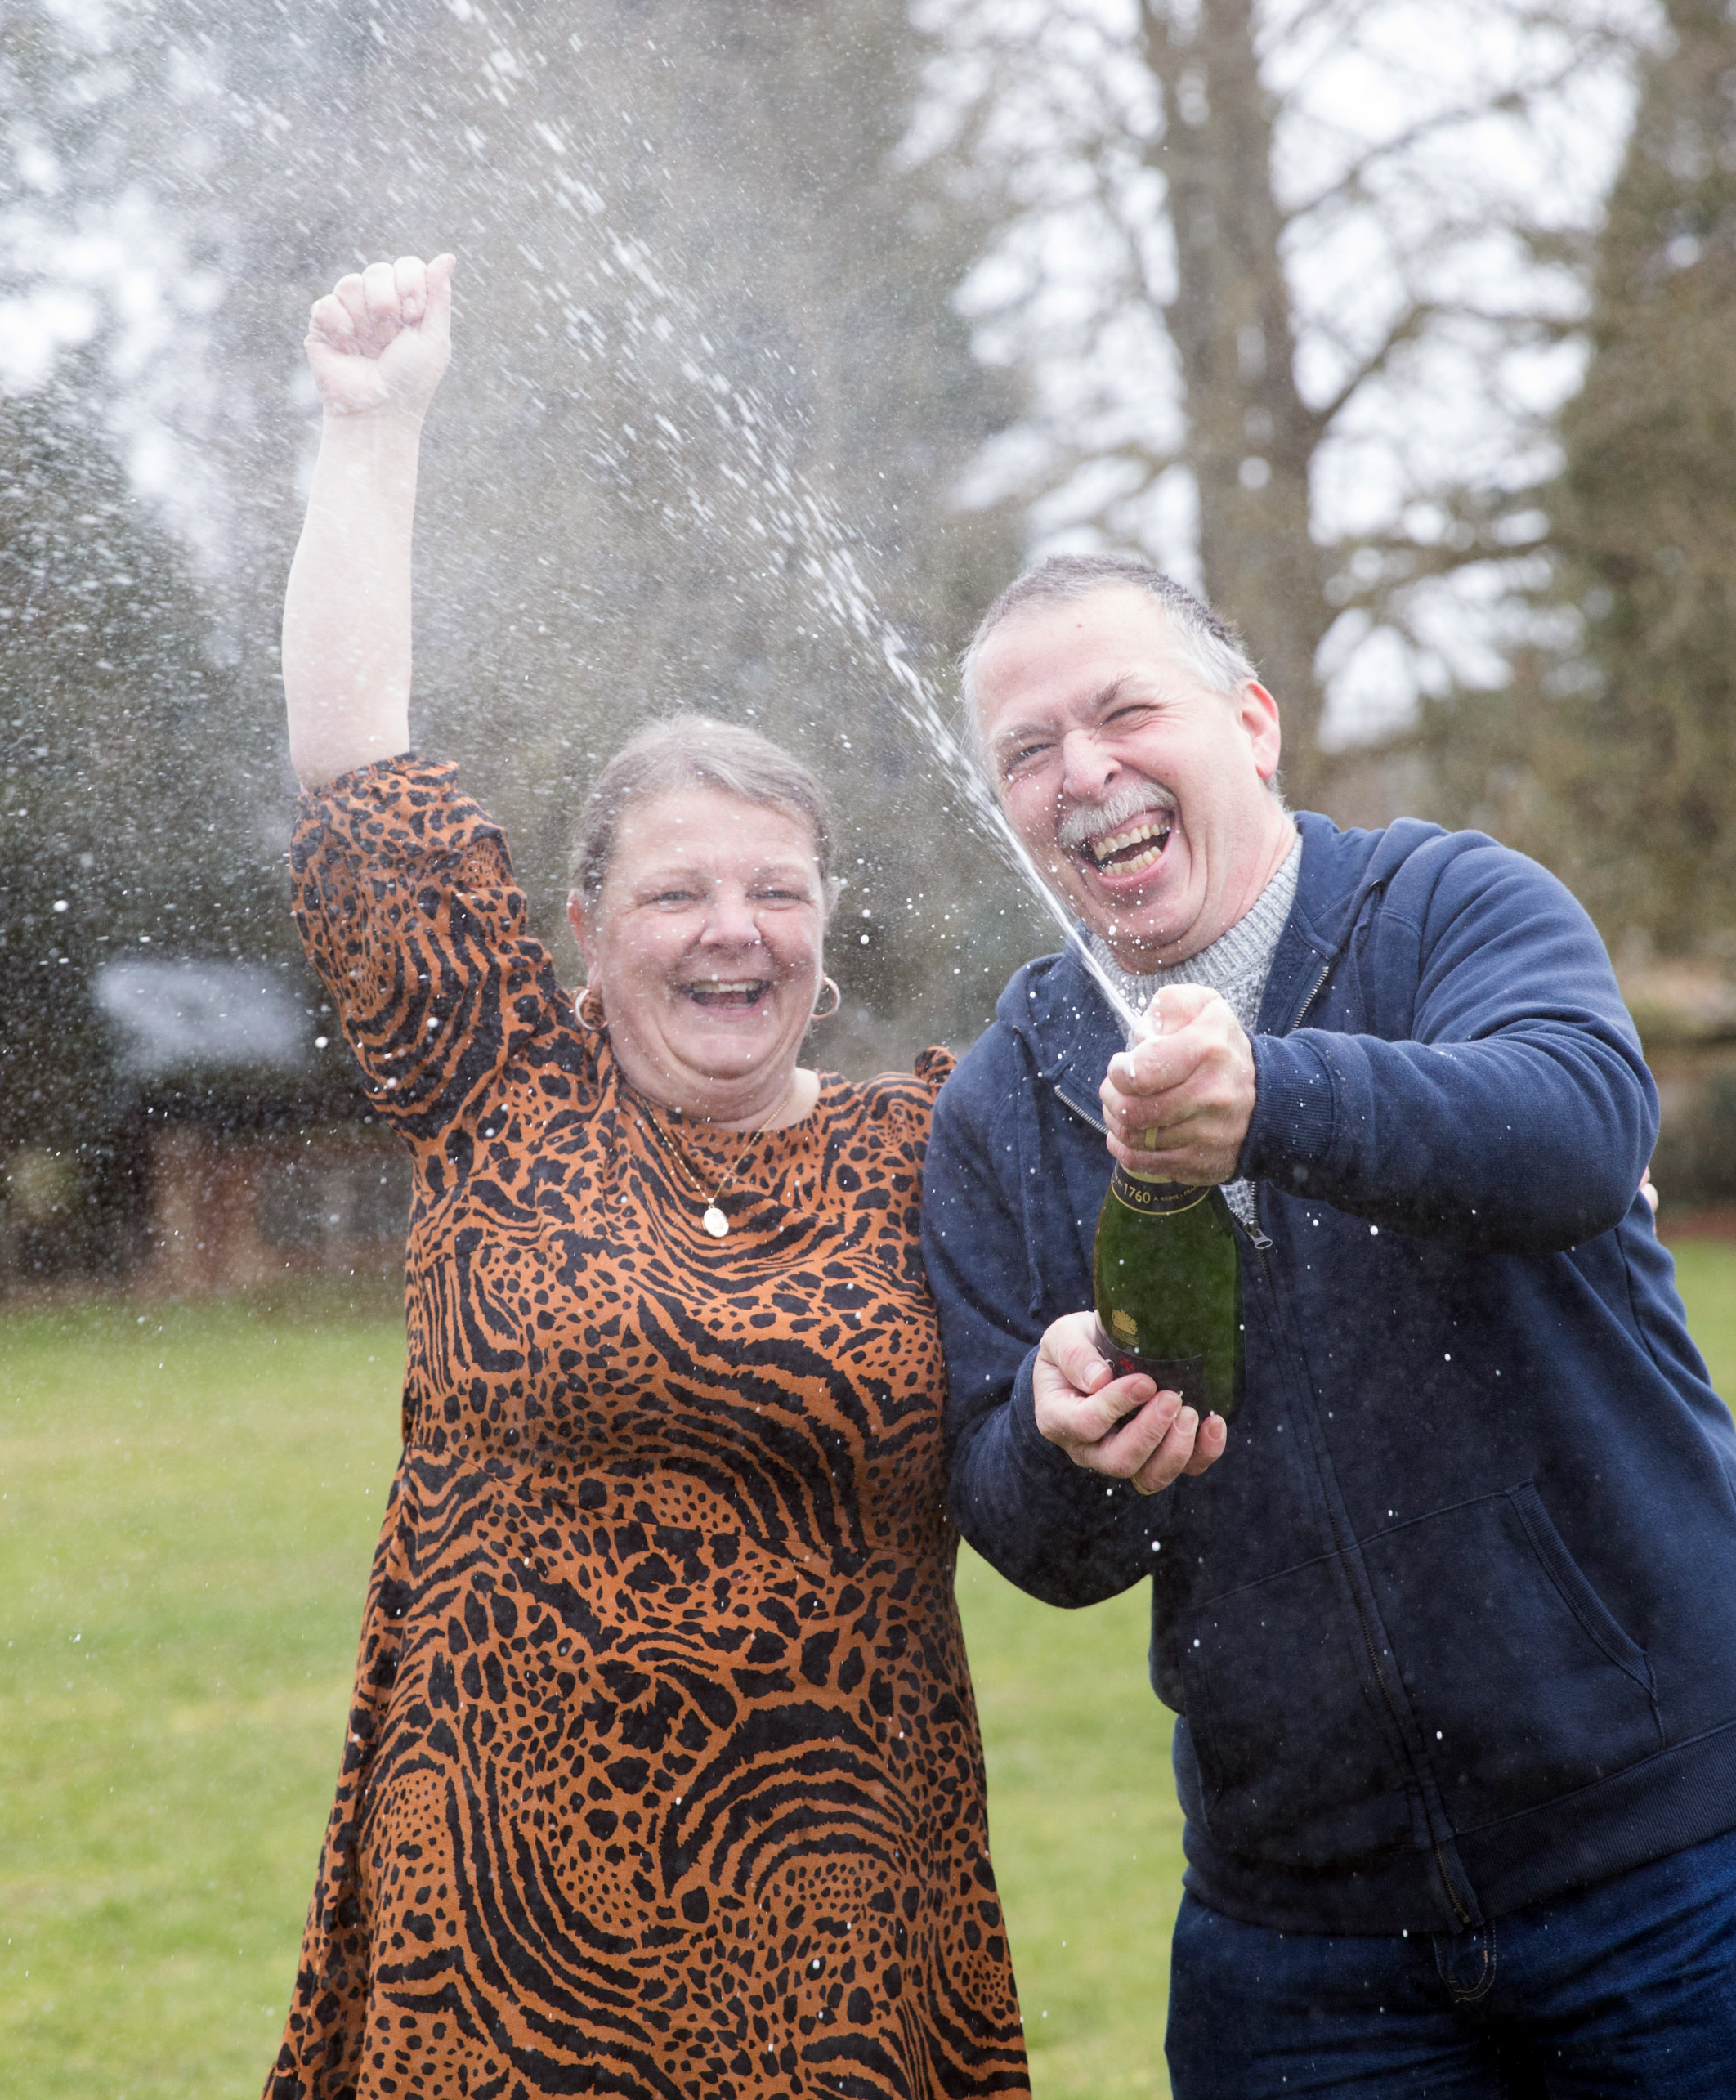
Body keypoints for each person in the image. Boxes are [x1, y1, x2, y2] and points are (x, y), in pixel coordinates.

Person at [922, 557, 1736, 2097]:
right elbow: (1038, 1539)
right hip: (1302, 1948)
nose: (1081, 772)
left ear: (1252, 722)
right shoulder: (1007, 1097)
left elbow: (1575, 1125)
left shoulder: (1446, 908)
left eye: (1123, 712)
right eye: (1027, 752)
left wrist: (1271, 1097)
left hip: (1666, 1854)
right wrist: (1061, 1438)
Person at [262, 252, 1027, 2100]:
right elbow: (359, 781)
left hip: (833, 1950)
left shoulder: (935, 1143)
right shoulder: (497, 1096)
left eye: (775, 891)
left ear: (825, 935)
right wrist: (376, 435)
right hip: (496, 1957)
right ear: (583, 937)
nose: (731, 931)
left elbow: (1206, 1169)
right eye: (677, 892)